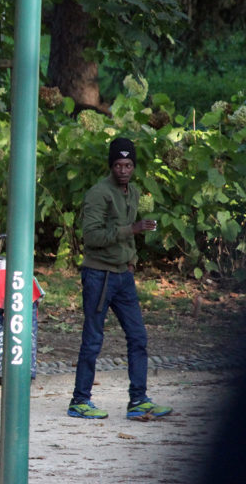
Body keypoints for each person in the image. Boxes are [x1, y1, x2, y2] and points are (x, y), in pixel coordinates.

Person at [67, 138, 172, 420]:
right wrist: (131, 229)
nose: (123, 170)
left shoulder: (133, 192)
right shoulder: (98, 194)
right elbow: (92, 237)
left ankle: (138, 400)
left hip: (123, 275)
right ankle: (80, 401)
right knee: (93, 339)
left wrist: (132, 262)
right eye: (118, 165)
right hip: (98, 275)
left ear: (133, 166)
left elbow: (128, 237)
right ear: (111, 166)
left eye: (128, 165)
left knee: (138, 336)